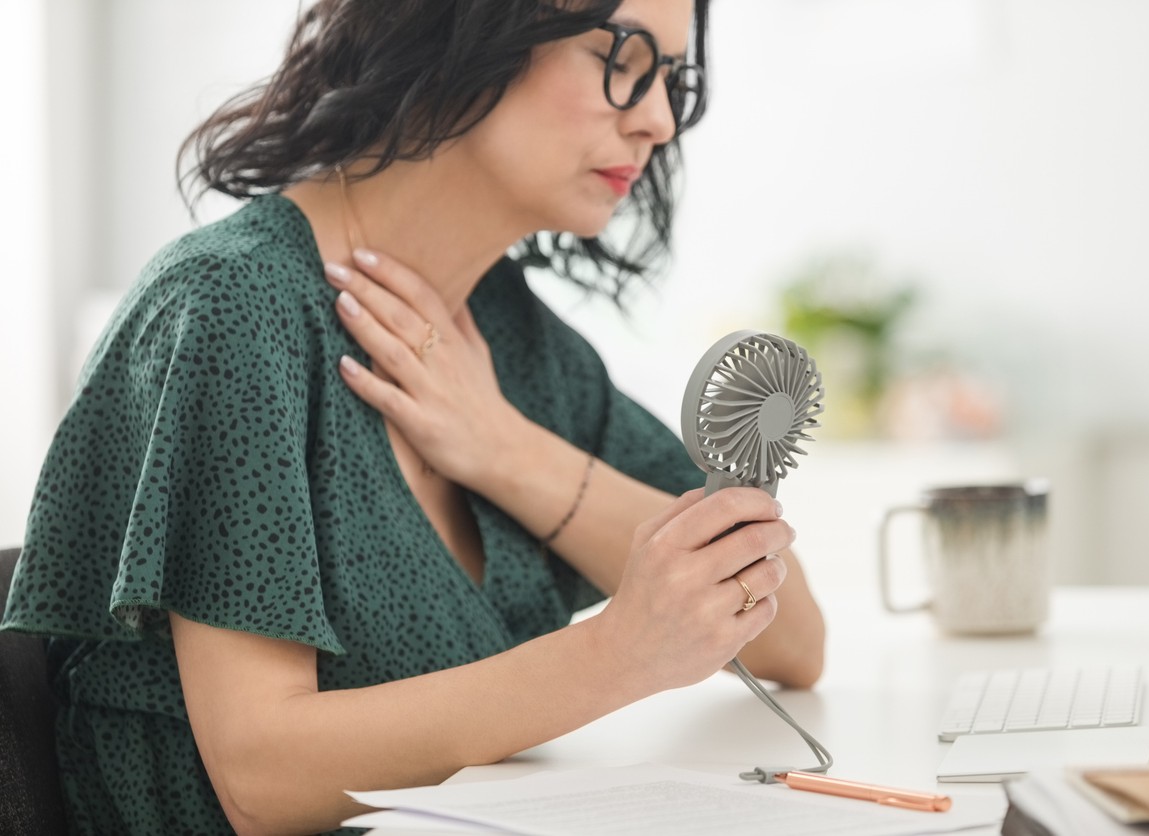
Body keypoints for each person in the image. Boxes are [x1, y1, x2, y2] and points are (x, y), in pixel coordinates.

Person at [1, 0, 826, 833]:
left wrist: (505, 449)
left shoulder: (509, 342)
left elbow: (790, 637)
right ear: (464, 26)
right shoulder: (230, 310)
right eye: (622, 57)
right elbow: (259, 777)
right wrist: (618, 654)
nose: (655, 120)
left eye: (671, 80)